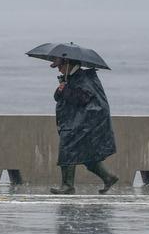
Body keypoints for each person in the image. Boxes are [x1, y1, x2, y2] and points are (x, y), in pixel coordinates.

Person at [49, 56, 118, 194]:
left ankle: (68, 186)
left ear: (68, 64)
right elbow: (58, 97)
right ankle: (109, 177)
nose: (59, 69)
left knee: (67, 149)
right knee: (87, 155)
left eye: (60, 66)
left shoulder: (84, 78)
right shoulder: (70, 78)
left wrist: (65, 90)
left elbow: (83, 98)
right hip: (73, 121)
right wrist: (61, 89)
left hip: (83, 124)